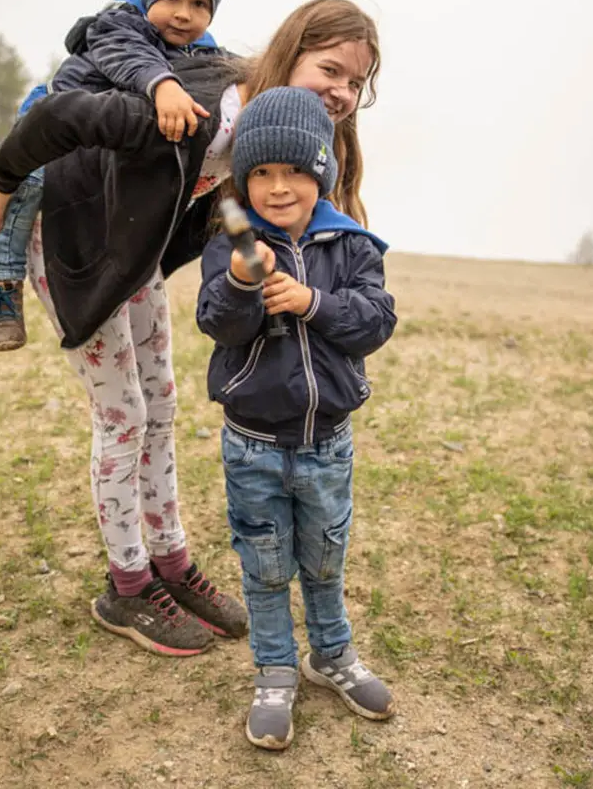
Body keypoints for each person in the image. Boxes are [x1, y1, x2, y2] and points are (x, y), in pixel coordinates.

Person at [0, 0, 380, 659]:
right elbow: (55, 118)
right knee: (123, 415)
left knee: (162, 403)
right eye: (331, 69)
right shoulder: (197, 112)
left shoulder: (271, 137)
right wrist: (3, 177)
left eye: (356, 83)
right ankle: (127, 586)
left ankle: (171, 565)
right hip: (74, 242)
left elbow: (215, 209)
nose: (343, 91)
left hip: (130, 257)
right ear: (293, 49)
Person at [196, 86, 397, 749]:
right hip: (251, 447)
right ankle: (276, 672)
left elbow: (374, 324)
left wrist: (311, 301)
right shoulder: (233, 247)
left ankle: (331, 656)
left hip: (327, 446)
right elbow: (215, 323)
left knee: (324, 555)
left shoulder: (352, 245)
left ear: (321, 174)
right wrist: (243, 286)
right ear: (244, 180)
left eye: (294, 172)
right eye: (261, 173)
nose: (278, 187)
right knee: (264, 562)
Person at [0, 0, 226, 352]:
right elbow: (128, 56)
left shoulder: (204, 50)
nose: (184, 13)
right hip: (56, 118)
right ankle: (4, 284)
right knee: (26, 185)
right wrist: (162, 84)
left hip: (102, 146)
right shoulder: (121, 20)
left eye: (199, 3)